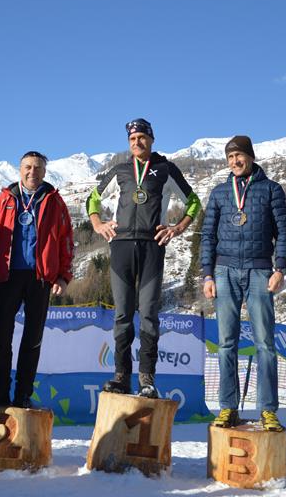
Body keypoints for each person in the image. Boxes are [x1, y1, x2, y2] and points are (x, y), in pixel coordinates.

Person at [86, 118, 202, 398]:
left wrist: (177, 228)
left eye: (142, 137)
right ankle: (121, 377)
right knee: (122, 315)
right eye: (132, 139)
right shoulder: (120, 171)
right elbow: (92, 199)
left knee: (149, 315)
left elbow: (194, 202)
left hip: (153, 246)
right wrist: (98, 224)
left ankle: (147, 379)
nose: (137, 142)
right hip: (121, 246)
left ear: (151, 139)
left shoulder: (166, 169)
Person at [200, 135, 286, 432]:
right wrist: (207, 274)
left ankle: (267, 410)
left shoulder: (271, 190)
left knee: (265, 344)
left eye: (239, 156)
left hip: (259, 271)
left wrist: (280, 268)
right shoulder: (219, 193)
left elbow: (284, 230)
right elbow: (207, 236)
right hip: (224, 271)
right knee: (226, 343)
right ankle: (228, 407)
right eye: (230, 157)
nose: (235, 161)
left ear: (251, 157)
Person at [0, 151, 75, 408]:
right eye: (28, 167)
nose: (32, 172)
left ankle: (23, 394)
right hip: (7, 275)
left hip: (40, 277)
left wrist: (63, 276)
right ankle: (0, 390)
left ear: (44, 172)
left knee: (32, 340)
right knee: (2, 336)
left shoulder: (54, 201)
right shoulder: (5, 199)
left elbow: (67, 240)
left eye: (37, 168)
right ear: (20, 169)